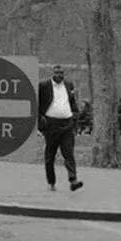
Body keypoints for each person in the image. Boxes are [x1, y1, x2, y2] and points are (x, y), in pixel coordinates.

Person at [37, 64, 83, 192]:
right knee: (50, 155)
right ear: (52, 73)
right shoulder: (44, 86)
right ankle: (51, 182)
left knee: (69, 153)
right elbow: (37, 103)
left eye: (61, 73)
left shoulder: (68, 85)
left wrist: (75, 115)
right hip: (51, 125)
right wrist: (40, 120)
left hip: (67, 124)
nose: (59, 75)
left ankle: (73, 180)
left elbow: (72, 101)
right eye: (57, 73)